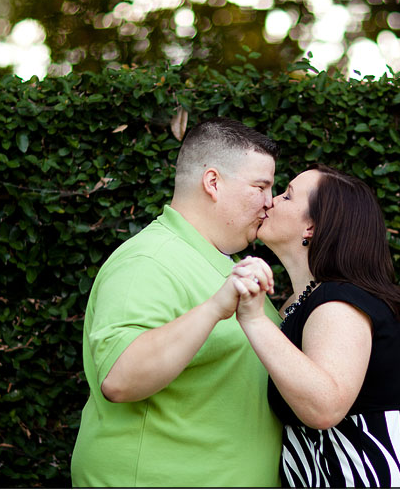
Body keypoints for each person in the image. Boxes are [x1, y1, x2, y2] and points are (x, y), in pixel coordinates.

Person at [71, 118, 284, 487]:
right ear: (213, 182)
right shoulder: (149, 260)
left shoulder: (223, 261)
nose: (270, 202)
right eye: (260, 187)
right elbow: (120, 378)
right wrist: (214, 309)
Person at [229, 164, 400, 488]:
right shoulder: (304, 304)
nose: (271, 201)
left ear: (311, 227)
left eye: (287, 196)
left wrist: (253, 319)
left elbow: (324, 407)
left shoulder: (338, 303)